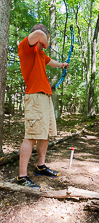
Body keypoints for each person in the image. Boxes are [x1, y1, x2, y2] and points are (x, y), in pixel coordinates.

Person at [16, 24, 69, 190]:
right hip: (35, 96)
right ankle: (22, 176)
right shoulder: (26, 47)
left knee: (44, 133)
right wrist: (45, 41)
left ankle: (40, 166)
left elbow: (49, 61)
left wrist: (61, 65)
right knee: (31, 135)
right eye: (45, 39)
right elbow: (38, 33)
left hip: (45, 97)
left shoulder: (41, 54)